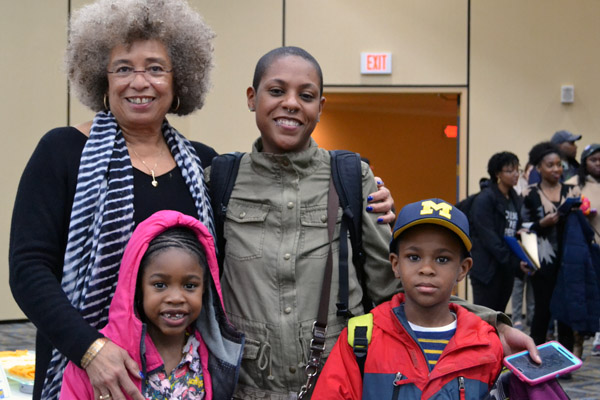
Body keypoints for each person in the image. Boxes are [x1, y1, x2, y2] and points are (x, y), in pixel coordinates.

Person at [8, 3, 393, 399]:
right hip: (91, 372)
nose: (139, 81)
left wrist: (373, 198)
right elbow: (28, 270)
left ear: (180, 82)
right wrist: (91, 350)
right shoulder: (63, 151)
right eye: (123, 68)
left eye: (156, 69)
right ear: (100, 79)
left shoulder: (205, 166)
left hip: (186, 378)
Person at [207, 46, 538, 399]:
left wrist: (492, 323)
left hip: (339, 379)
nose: (291, 103)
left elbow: (394, 283)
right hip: (244, 386)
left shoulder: (351, 177)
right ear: (251, 97)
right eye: (276, 91)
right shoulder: (220, 179)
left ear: (320, 107)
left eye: (306, 95)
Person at [312, 199, 504, 399]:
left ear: (462, 269)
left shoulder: (486, 345)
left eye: (442, 259)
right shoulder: (361, 337)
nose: (427, 269)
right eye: (413, 257)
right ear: (395, 264)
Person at [60, 210, 243, 399]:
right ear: (138, 287)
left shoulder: (213, 357)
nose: (176, 298)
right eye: (160, 285)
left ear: (205, 289)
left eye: (190, 286)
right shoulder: (99, 361)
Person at [521, 142, 581, 350]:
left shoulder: (573, 191)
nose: (556, 169)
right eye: (550, 165)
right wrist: (540, 224)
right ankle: (535, 357)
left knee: (566, 312)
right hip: (542, 261)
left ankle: (565, 359)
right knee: (543, 311)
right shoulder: (529, 193)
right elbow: (522, 227)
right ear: (538, 168)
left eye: (559, 164)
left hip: (569, 261)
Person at [470, 152, 522, 312]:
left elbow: (512, 230)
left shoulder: (514, 197)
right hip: (487, 269)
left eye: (517, 170)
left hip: (505, 267)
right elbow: (488, 236)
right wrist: (512, 261)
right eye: (510, 171)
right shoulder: (485, 199)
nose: (516, 174)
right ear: (497, 174)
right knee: (486, 316)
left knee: (500, 316)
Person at [566, 143, 600, 357]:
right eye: (594, 160)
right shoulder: (572, 185)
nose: (598, 164)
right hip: (584, 250)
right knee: (585, 296)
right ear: (585, 162)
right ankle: (578, 342)